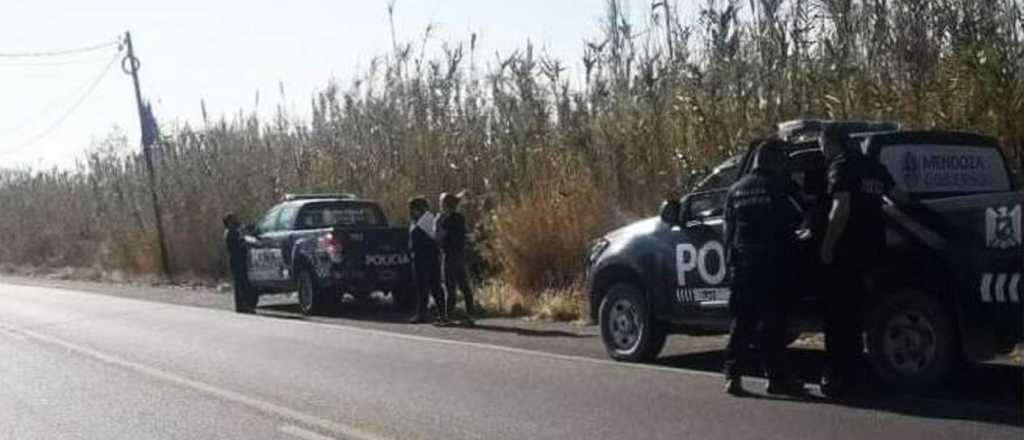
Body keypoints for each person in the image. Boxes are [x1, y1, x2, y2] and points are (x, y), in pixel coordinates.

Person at [722, 139, 806, 396]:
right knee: (774, 325)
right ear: (775, 160)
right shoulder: (782, 185)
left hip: (744, 264)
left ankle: (733, 377)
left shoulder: (736, 189)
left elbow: (728, 229)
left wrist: (731, 260)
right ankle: (776, 379)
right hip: (774, 264)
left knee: (742, 323)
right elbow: (803, 214)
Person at [818, 124, 896, 398]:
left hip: (847, 252)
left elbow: (841, 207)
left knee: (838, 317)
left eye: (822, 144)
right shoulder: (873, 166)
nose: (822, 150)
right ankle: (861, 374)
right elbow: (899, 198)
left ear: (832, 143)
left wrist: (828, 246)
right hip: (874, 251)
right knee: (862, 314)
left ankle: (837, 376)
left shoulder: (841, 166)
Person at [407, 196, 449, 325]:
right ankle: (435, 313)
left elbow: (434, 238)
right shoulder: (422, 220)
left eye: (413, 209)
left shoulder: (426, 221)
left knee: (428, 287)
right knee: (427, 287)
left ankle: (426, 314)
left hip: (425, 258)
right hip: (424, 258)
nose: (411, 212)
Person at [436, 191, 475, 325]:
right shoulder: (460, 218)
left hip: (449, 255)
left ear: (445, 205)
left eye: (441, 203)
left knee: (450, 287)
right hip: (460, 254)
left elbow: (439, 237)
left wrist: (438, 223)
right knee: (464, 286)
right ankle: (470, 314)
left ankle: (447, 316)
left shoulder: (445, 220)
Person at [223, 213, 256, 314]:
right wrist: (246, 243)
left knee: (242, 283)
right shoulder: (230, 233)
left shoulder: (234, 230)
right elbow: (238, 244)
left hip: (239, 260)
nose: (236, 220)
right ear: (229, 222)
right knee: (241, 284)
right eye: (233, 219)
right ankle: (242, 306)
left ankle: (244, 306)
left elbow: (244, 229)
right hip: (237, 261)